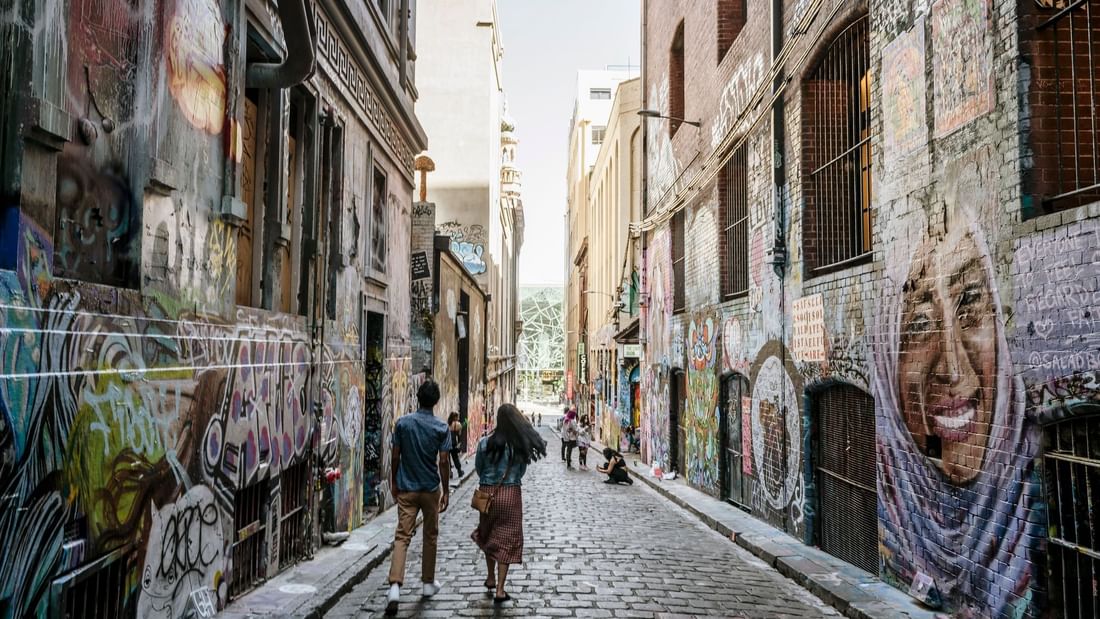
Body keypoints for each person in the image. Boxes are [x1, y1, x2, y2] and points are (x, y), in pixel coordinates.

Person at [384, 381, 452, 615]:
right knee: (430, 536)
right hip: (430, 488)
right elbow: (443, 462)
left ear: (417, 398)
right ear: (436, 401)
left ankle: (394, 586)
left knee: (402, 536)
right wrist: (446, 489)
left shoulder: (403, 424)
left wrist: (394, 481)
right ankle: (427, 583)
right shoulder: (441, 428)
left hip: (407, 488)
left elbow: (395, 457)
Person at [472, 403, 547, 605]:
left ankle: (490, 577)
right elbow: (521, 472)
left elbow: (479, 468)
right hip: (511, 494)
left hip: (487, 493)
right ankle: (500, 589)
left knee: (488, 535)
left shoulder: (484, 443)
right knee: (505, 539)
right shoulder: (517, 446)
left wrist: (490, 479)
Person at [447, 413, 464, 478]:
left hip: (447, 443)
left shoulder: (448, 424)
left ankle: (450, 473)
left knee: (448, 459)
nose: (458, 418)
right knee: (455, 458)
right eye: (457, 417)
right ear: (455, 417)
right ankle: (459, 471)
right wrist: (459, 443)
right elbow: (459, 435)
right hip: (453, 444)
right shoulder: (457, 424)